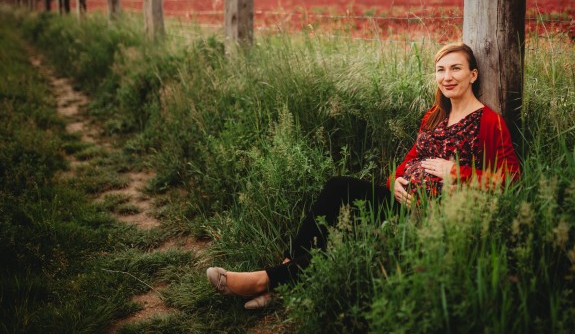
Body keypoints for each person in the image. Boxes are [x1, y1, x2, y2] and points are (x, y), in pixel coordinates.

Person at [206, 42, 520, 309]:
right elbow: (411, 159)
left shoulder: (488, 122)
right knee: (336, 187)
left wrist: (458, 172)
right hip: (403, 198)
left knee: (352, 233)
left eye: (456, 69)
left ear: (473, 74)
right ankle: (285, 274)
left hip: (432, 211)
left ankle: (265, 280)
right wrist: (394, 182)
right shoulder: (435, 115)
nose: (447, 77)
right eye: (441, 69)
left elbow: (511, 179)